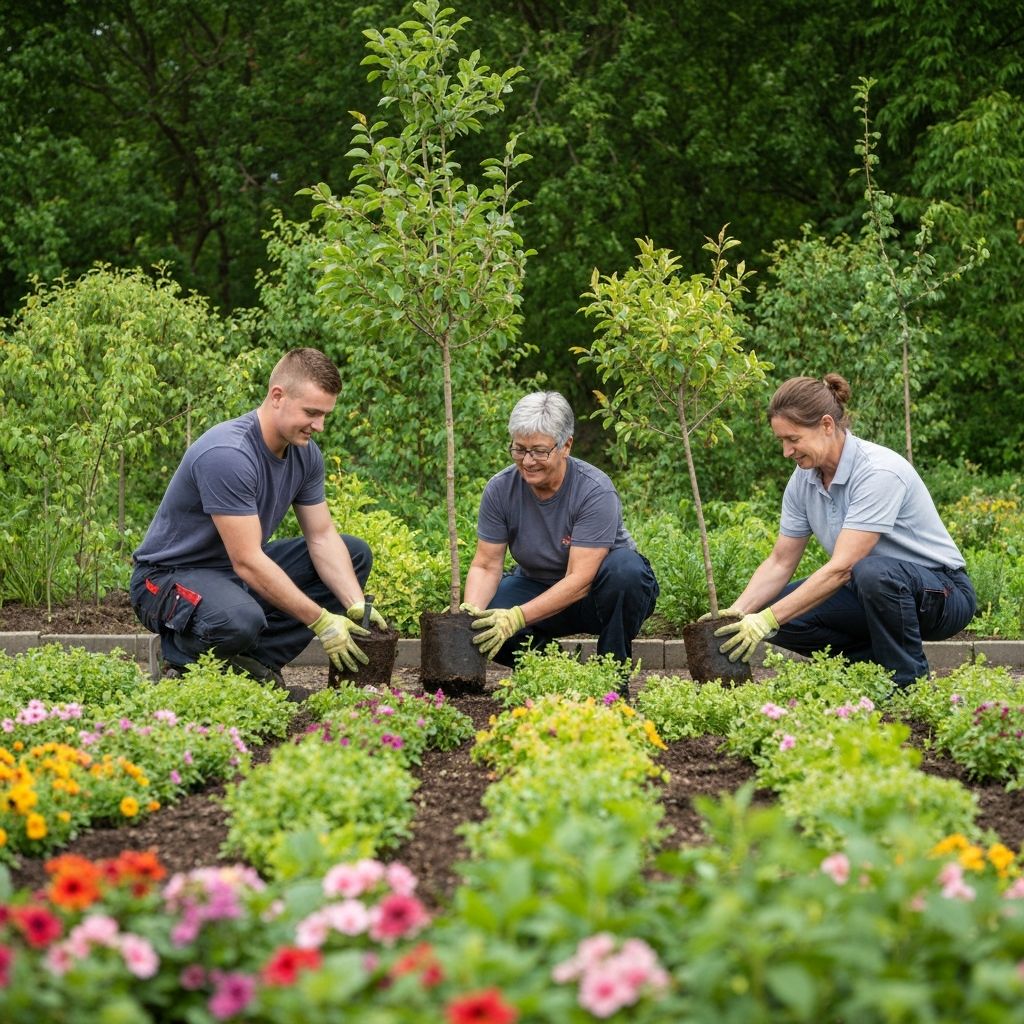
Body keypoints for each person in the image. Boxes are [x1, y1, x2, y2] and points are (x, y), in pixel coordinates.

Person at [130, 347, 385, 695]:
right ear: (277, 396)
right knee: (238, 619)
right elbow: (248, 560)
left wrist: (355, 605)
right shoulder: (229, 455)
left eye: (325, 415)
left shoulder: (305, 454)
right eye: (311, 412)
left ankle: (257, 664)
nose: (320, 426)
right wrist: (322, 621)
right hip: (166, 580)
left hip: (229, 576)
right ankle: (179, 652)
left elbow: (322, 536)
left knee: (353, 553)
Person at [708, 373, 976, 689]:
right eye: (781, 441)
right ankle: (874, 672)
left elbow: (843, 568)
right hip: (869, 589)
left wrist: (766, 620)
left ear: (826, 425)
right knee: (783, 614)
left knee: (869, 572)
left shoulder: (877, 472)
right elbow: (780, 562)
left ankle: (908, 685)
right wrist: (740, 613)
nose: (786, 451)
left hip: (941, 593)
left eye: (793, 439)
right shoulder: (802, 481)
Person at [460, 391, 659, 688]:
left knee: (626, 571)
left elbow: (579, 579)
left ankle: (611, 678)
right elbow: (487, 565)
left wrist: (517, 617)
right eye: (519, 449)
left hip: (600, 594)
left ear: (566, 446)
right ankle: (559, 674)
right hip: (538, 585)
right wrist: (471, 617)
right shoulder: (501, 489)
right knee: (486, 624)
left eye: (539, 451)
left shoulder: (594, 490)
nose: (527, 461)